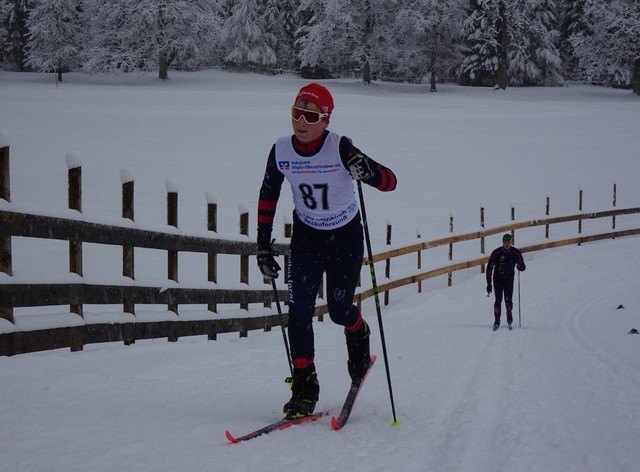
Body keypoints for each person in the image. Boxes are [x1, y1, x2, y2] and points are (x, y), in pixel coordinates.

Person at [256, 83, 397, 418]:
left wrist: (368, 171)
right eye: (296, 111)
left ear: (325, 120)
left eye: (310, 114)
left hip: (345, 238)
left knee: (338, 309)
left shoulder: (341, 148)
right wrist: (263, 245)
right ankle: (305, 387)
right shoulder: (280, 151)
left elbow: (390, 181)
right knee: (299, 310)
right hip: (307, 237)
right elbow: (268, 195)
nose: (301, 121)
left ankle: (358, 333)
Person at [486, 233, 526, 330]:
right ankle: (497, 320)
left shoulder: (516, 253)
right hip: (498, 279)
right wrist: (489, 283)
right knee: (498, 300)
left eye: (508, 242)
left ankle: (509, 313)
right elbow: (489, 268)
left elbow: (522, 266)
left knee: (508, 300)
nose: (506, 244)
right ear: (502, 242)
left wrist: (520, 267)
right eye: (505, 242)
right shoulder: (496, 253)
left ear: (511, 242)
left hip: (509, 279)